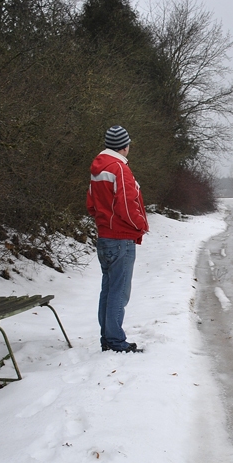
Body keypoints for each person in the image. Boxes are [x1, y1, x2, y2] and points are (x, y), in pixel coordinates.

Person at [86, 125, 149, 353]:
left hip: (105, 238)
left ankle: (107, 337)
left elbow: (91, 204)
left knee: (109, 289)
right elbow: (126, 203)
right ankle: (115, 341)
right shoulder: (120, 169)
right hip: (120, 239)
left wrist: (104, 222)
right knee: (119, 292)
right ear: (125, 146)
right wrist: (140, 225)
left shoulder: (97, 168)